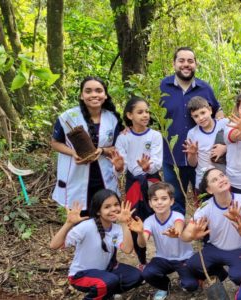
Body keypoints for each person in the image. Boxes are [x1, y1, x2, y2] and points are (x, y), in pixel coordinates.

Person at [160, 47, 224, 215]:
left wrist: (223, 142)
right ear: (174, 64)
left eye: (190, 61)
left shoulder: (205, 88)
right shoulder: (162, 87)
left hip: (202, 159)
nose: (186, 64)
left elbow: (218, 112)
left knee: (205, 198)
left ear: (195, 64)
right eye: (181, 60)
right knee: (175, 200)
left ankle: (205, 234)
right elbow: (150, 116)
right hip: (172, 156)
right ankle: (179, 236)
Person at [49, 189, 142, 300]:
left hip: (105, 271)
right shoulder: (87, 227)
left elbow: (127, 249)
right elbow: (54, 245)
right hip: (80, 275)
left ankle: (106, 295)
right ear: (98, 211)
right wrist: (68, 223)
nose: (113, 209)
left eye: (116, 204)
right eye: (107, 207)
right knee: (108, 281)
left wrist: (124, 224)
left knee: (136, 276)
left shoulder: (117, 229)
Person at [51, 76, 123, 215]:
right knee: (79, 218)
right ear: (82, 96)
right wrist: (73, 153)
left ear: (105, 95)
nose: (94, 95)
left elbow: (117, 147)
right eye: (88, 91)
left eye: (98, 91)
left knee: (106, 215)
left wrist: (101, 151)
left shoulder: (112, 119)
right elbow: (55, 143)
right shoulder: (68, 117)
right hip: (76, 176)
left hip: (103, 176)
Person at [111, 96, 162, 270]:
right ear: (129, 115)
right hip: (133, 184)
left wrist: (149, 167)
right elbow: (122, 164)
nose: (145, 115)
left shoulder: (155, 135)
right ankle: (142, 261)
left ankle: (165, 256)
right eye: (140, 112)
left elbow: (157, 160)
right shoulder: (123, 137)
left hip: (153, 181)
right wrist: (118, 167)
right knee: (135, 221)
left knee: (160, 217)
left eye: (147, 111)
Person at [181, 168, 241, 286]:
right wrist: (192, 235)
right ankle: (220, 274)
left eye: (222, 175)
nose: (221, 180)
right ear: (209, 190)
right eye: (214, 180)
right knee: (193, 265)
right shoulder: (206, 207)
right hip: (215, 247)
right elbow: (184, 235)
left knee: (240, 276)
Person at [130, 182, 198, 300]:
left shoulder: (178, 216)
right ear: (150, 203)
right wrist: (140, 233)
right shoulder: (149, 221)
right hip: (163, 258)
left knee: (191, 285)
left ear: (171, 201)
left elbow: (178, 225)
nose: (159, 202)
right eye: (155, 199)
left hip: (183, 258)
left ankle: (187, 278)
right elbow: (142, 243)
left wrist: (176, 232)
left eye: (164, 198)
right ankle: (164, 286)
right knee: (148, 273)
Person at [182, 96, 229, 195]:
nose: (201, 118)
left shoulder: (224, 124)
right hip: (203, 180)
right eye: (196, 116)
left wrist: (225, 148)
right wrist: (193, 154)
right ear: (192, 118)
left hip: (225, 177)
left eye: (203, 113)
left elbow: (236, 145)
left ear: (210, 110)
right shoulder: (192, 133)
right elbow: (192, 164)